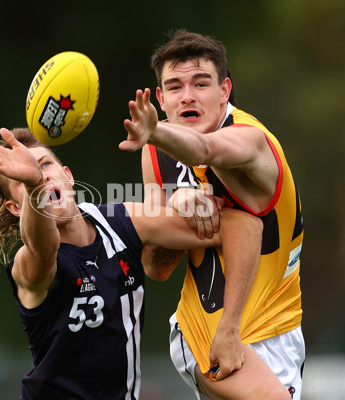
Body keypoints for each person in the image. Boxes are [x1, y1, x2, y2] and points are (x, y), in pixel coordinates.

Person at [0, 127, 288, 399]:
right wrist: (35, 186)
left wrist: (182, 198)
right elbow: (43, 247)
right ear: (15, 208)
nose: (43, 177)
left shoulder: (121, 221)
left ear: (68, 176)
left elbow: (243, 225)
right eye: (26, 181)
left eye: (47, 166)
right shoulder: (28, 264)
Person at [119, 29, 305, 399]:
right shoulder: (155, 153)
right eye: (174, 87)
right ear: (160, 98)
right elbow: (157, 266)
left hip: (281, 329)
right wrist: (176, 207)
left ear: (224, 91)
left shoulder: (250, 140)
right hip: (207, 331)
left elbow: (205, 149)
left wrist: (155, 133)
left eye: (200, 84)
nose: (187, 96)